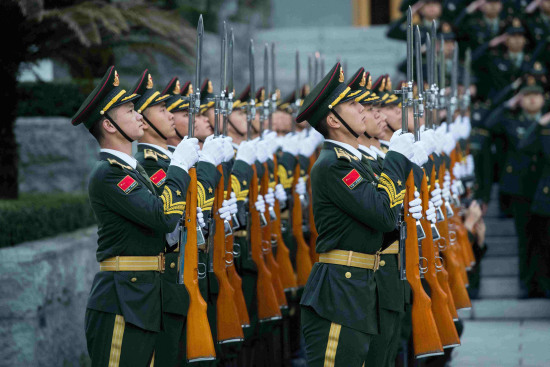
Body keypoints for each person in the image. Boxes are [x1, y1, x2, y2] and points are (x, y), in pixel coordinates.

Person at [296, 62, 421, 366]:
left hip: (361, 284)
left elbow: (387, 219)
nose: (364, 109)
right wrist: (395, 159)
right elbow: (381, 214)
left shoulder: (356, 164)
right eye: (352, 104)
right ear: (333, 120)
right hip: (340, 290)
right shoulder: (335, 165)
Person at [73, 66, 200, 366]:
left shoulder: (133, 170)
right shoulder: (109, 174)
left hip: (143, 295)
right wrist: (179, 167)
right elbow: (162, 215)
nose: (139, 115)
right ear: (109, 125)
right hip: (121, 299)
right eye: (130, 110)